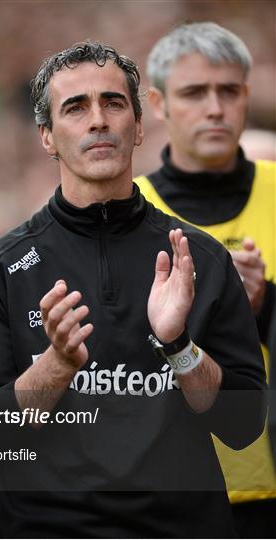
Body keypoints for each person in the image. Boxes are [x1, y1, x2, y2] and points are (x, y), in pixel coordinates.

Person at [0, 41, 266, 539]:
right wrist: (55, 367)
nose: (98, 120)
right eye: (75, 107)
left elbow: (244, 427)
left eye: (113, 103)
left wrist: (179, 346)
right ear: (47, 137)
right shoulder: (1, 267)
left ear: (138, 128)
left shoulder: (198, 259)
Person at [135, 22, 276, 537]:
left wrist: (262, 307)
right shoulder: (126, 211)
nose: (215, 108)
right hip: (168, 494)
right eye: (194, 92)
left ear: (246, 96)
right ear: (158, 102)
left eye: (229, 91)